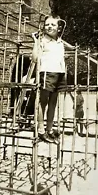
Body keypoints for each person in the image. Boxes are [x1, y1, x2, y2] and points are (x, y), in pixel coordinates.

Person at [32, 15, 66, 143]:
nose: (49, 26)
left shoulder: (60, 42)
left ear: (59, 28)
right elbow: (35, 58)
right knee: (43, 102)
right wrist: (35, 41)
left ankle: (50, 130)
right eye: (47, 24)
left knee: (53, 103)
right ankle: (41, 130)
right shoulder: (42, 41)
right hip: (47, 72)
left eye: (53, 24)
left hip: (59, 73)